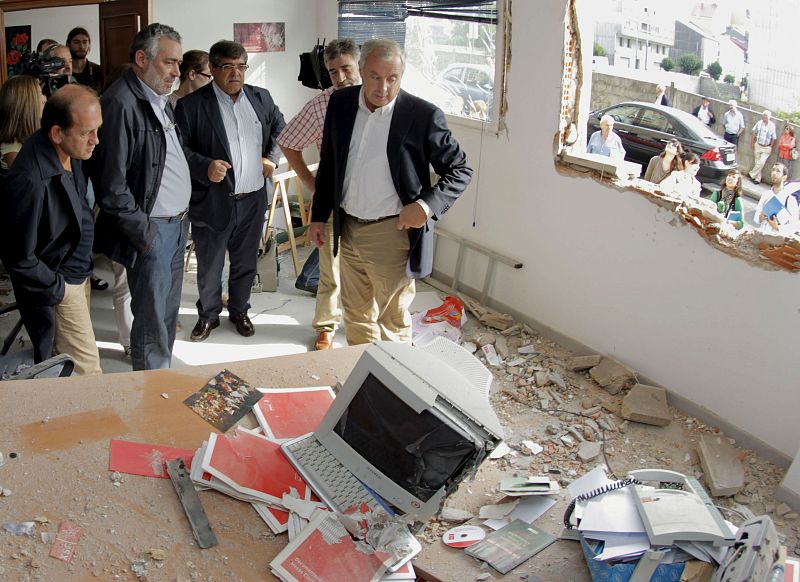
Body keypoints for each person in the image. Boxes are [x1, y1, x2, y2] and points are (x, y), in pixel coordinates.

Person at [309, 38, 472, 345]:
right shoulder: (341, 103)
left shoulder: (422, 115)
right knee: (356, 315)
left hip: (391, 232)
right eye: (375, 77)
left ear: (402, 75)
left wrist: (424, 206)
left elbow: (461, 169)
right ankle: (361, 381)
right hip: (347, 227)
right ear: (361, 70)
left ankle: (392, 387)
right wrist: (319, 216)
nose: (383, 87)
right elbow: (330, 162)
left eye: (392, 78)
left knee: (391, 321)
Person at [91, 23, 192, 371]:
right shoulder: (120, 104)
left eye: (178, 64)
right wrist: (145, 235)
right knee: (151, 324)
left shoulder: (159, 99)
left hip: (176, 226)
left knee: (166, 315)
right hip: (152, 231)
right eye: (169, 63)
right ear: (141, 59)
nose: (177, 72)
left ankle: (161, 385)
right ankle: (151, 397)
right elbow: (111, 185)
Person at [175, 40, 285, 342]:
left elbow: (280, 127)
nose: (236, 74)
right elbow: (179, 149)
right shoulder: (192, 105)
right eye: (227, 67)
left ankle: (239, 310)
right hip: (212, 200)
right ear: (213, 68)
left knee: (245, 263)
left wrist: (271, 158)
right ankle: (208, 315)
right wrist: (204, 165)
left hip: (252, 200)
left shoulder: (260, 98)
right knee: (209, 267)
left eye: (241, 67)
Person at [0, 85, 103, 375]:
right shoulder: (29, 180)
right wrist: (60, 289)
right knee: (88, 373)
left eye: (98, 129)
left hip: (78, 271)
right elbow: (18, 257)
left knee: (69, 365)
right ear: (57, 133)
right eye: (87, 132)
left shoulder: (72, 148)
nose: (96, 140)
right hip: (59, 282)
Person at [277, 38, 361, 351]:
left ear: (359, 64)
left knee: (369, 271)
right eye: (333, 71)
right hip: (334, 201)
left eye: (346, 69)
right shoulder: (321, 104)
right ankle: (326, 328)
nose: (340, 77)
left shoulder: (378, 98)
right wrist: (310, 182)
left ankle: (364, 326)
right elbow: (287, 141)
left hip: (374, 202)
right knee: (330, 270)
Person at [0, 75, 46, 170]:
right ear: (28, 103)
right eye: (40, 93)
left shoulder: (37, 136)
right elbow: (30, 179)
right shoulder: (12, 148)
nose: (44, 99)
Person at [754, 163, 800, 236]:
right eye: (773, 170)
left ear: (784, 177)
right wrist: (761, 216)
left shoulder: (790, 200)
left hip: (776, 241)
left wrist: (777, 227)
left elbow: (794, 226)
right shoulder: (766, 194)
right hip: (761, 236)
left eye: (778, 171)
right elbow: (756, 218)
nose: (774, 173)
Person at [67, 27, 104, 94]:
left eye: (85, 42)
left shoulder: (98, 70)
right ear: (68, 45)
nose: (81, 46)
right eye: (76, 42)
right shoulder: (64, 71)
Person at [748, 110, 777, 185]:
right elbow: (754, 132)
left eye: (766, 117)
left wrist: (770, 147)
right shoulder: (759, 123)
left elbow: (774, 138)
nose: (765, 118)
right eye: (764, 116)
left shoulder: (772, 125)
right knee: (757, 162)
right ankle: (757, 179)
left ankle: (751, 174)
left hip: (766, 147)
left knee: (761, 162)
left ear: (769, 117)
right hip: (758, 144)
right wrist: (752, 142)